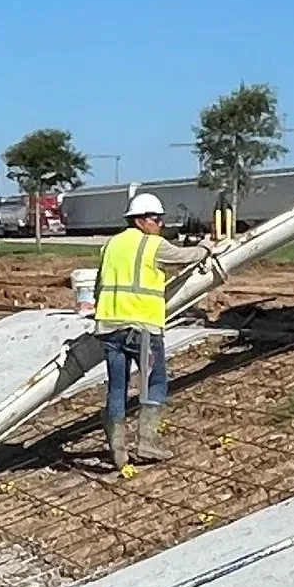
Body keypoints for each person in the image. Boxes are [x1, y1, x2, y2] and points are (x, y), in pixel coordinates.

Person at [92, 190, 201, 475]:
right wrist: (207, 249)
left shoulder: (110, 245)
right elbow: (182, 256)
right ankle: (147, 442)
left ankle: (117, 450)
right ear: (140, 220)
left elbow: (98, 284)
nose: (160, 224)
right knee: (155, 382)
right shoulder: (152, 245)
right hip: (141, 329)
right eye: (156, 219)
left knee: (117, 387)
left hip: (109, 328)